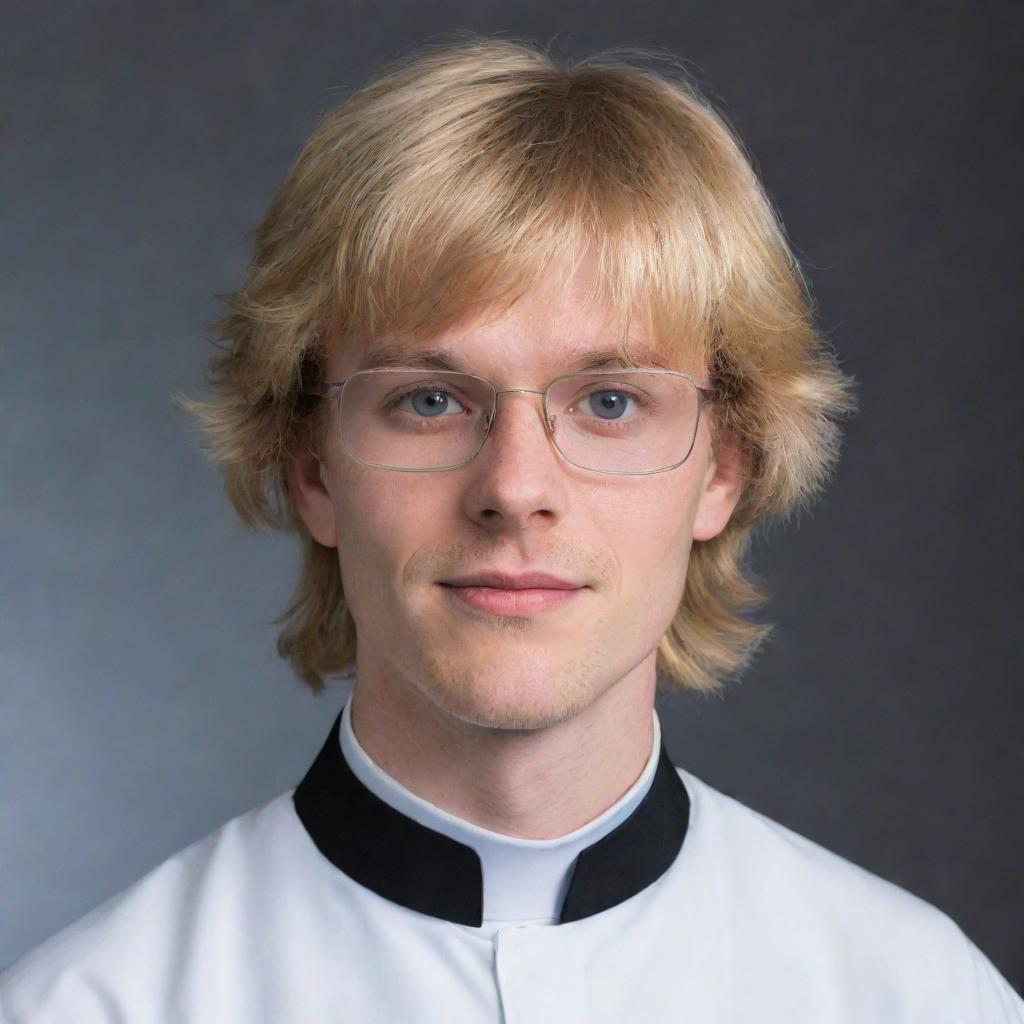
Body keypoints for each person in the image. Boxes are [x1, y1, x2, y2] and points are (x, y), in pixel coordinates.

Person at [2, 34, 1020, 1024]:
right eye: (430, 400)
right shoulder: (96, 1004)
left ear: (722, 469)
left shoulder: (914, 995)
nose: (516, 487)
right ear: (310, 468)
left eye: (611, 401)